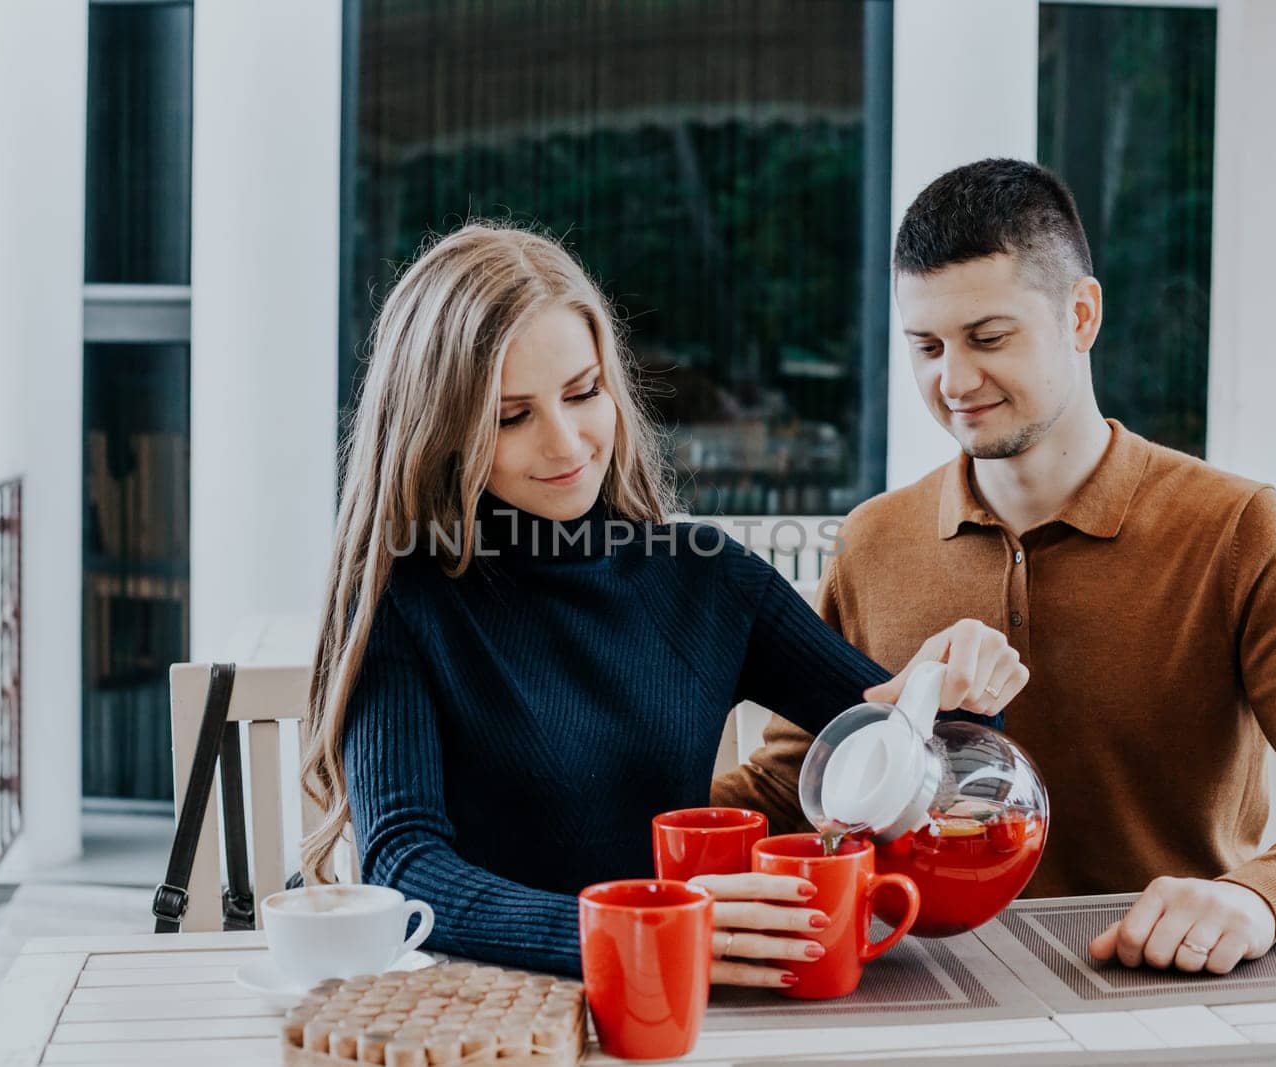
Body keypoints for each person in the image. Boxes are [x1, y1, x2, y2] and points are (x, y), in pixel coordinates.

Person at [713, 158, 1276, 976]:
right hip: (917, 987)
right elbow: (792, 789)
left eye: (989, 337)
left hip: (1172, 986)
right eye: (926, 345)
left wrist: (1261, 896)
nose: (954, 379)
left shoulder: (1238, 530)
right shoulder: (873, 540)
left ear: (1081, 315)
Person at [297, 222, 1026, 980]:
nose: (567, 442)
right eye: (511, 416)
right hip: (489, 1017)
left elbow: (919, 746)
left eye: (584, 392)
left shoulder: (705, 578)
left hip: (679, 1011)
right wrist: (637, 932)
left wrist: (958, 687)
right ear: (438, 429)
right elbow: (406, 868)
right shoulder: (405, 600)